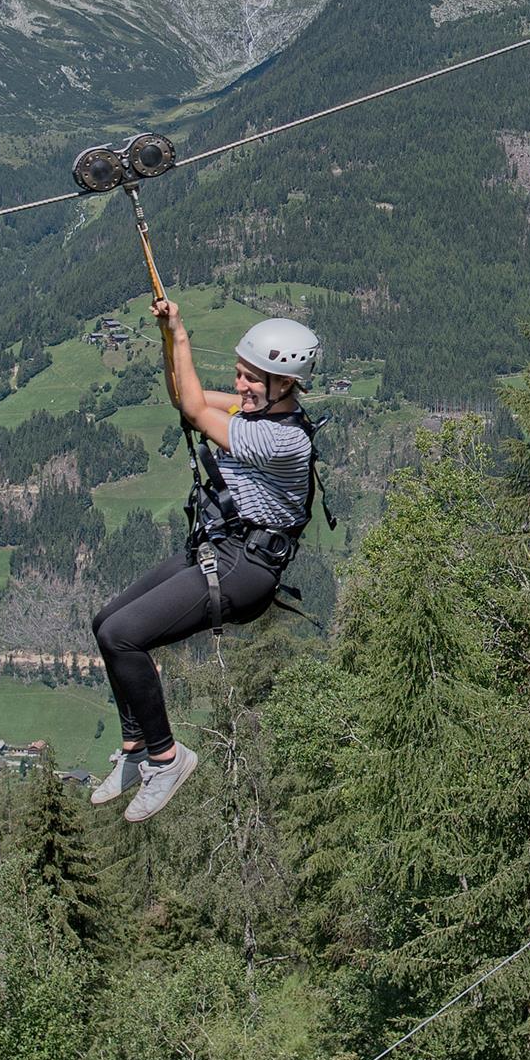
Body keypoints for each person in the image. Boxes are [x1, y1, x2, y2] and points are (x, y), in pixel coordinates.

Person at [89, 303, 321, 821]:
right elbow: (183, 396)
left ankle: (167, 758)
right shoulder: (257, 413)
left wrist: (181, 333)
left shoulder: (281, 439)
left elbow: (194, 409)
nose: (239, 385)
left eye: (251, 378)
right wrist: (169, 339)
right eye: (238, 373)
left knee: (123, 636)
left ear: (285, 384)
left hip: (247, 571)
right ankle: (134, 749)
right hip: (222, 549)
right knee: (105, 623)